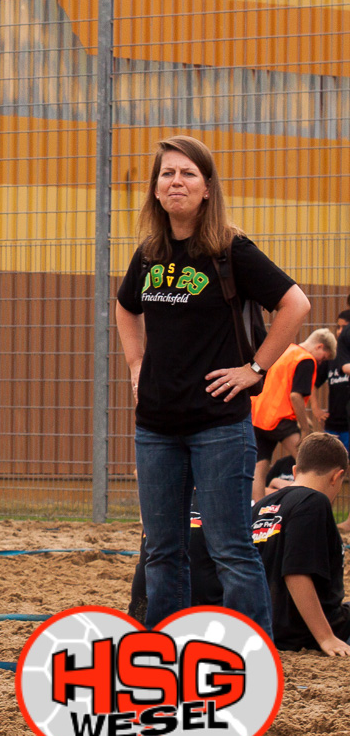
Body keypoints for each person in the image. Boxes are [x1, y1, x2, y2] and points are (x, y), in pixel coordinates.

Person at [115, 134, 310, 635]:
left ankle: (251, 661)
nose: (175, 181)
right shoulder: (150, 253)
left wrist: (256, 370)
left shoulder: (231, 250)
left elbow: (296, 305)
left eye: (187, 174)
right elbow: (125, 306)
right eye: (167, 174)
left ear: (206, 189)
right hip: (155, 427)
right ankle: (165, 658)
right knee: (162, 551)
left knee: (231, 549)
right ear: (156, 190)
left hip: (219, 426)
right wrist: (136, 364)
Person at [249, 432, 350, 654]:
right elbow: (296, 573)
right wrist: (326, 638)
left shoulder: (261, 506)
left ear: (295, 471)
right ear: (336, 477)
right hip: (302, 632)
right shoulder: (314, 502)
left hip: (266, 624)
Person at [251, 329, 337, 501]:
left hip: (259, 416)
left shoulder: (286, 351)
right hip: (280, 418)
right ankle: (313, 507)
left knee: (258, 469)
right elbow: (295, 396)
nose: (321, 362)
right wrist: (305, 427)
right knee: (309, 465)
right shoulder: (305, 359)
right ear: (319, 346)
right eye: (324, 358)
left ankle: (257, 514)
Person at [317, 309, 350, 451]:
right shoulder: (332, 357)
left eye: (344, 327)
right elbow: (313, 383)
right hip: (333, 424)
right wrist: (316, 409)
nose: (339, 331)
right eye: (338, 327)